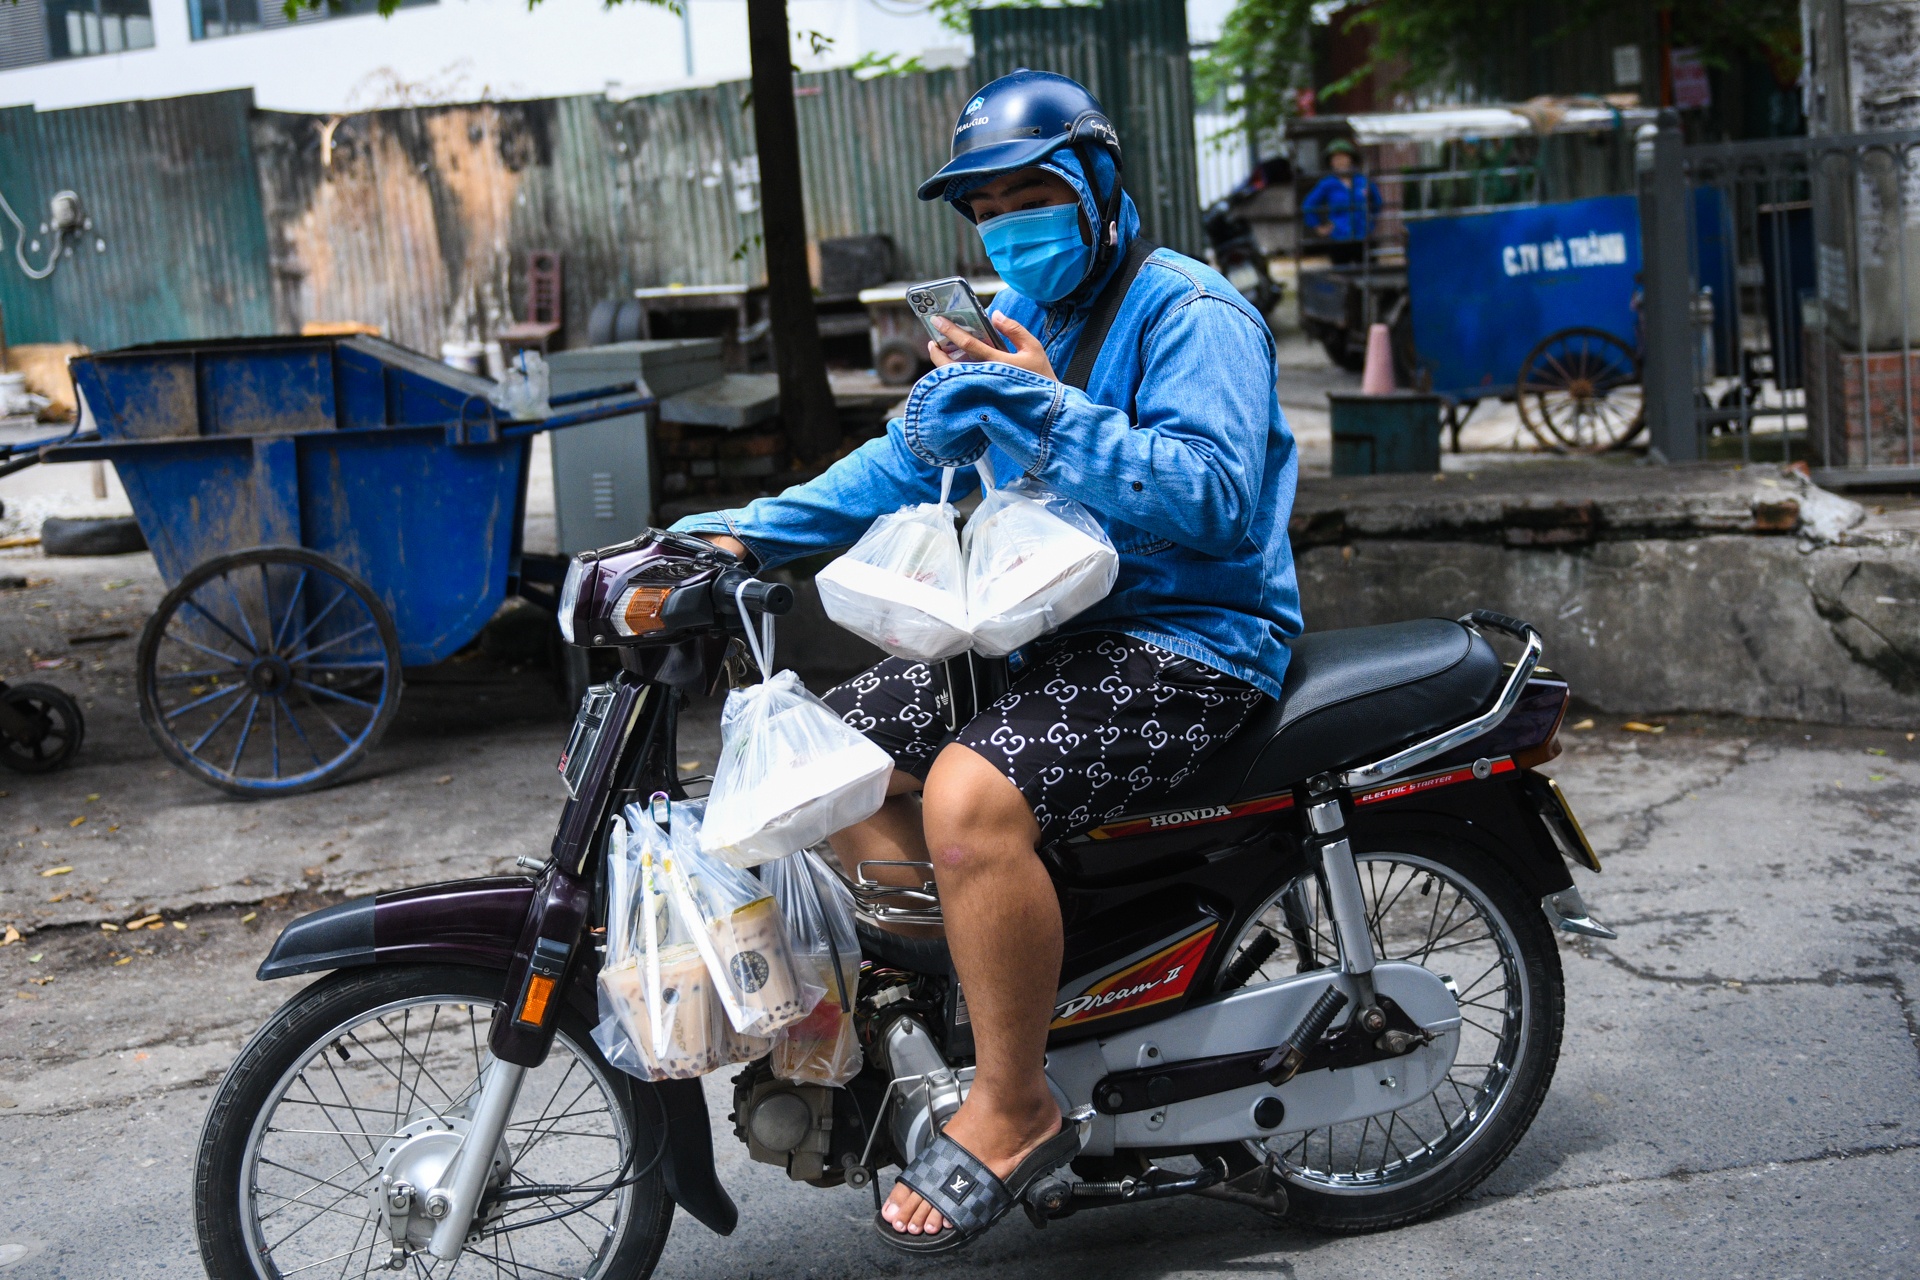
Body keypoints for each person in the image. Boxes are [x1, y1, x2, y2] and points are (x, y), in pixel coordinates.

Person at [670, 70, 1300, 1253]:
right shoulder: (1021, 313)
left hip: (1196, 637)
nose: (1013, 221)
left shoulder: (1191, 315)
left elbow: (1217, 500)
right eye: (991, 204)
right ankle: (996, 984)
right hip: (1050, 632)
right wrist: (731, 534)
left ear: (1100, 190)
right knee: (824, 762)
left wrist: (1047, 409)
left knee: (964, 797)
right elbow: (899, 461)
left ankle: (1017, 1101)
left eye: (1035, 193)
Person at [1302, 139, 1381, 265]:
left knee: (1368, 271)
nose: (1340, 162)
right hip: (1339, 237)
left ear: (1351, 159)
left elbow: (1377, 202)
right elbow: (1309, 205)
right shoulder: (1328, 184)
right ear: (1331, 162)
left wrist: (1371, 222)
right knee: (1342, 273)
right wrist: (1318, 227)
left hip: (1363, 236)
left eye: (1343, 157)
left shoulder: (1362, 181)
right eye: (1336, 158)